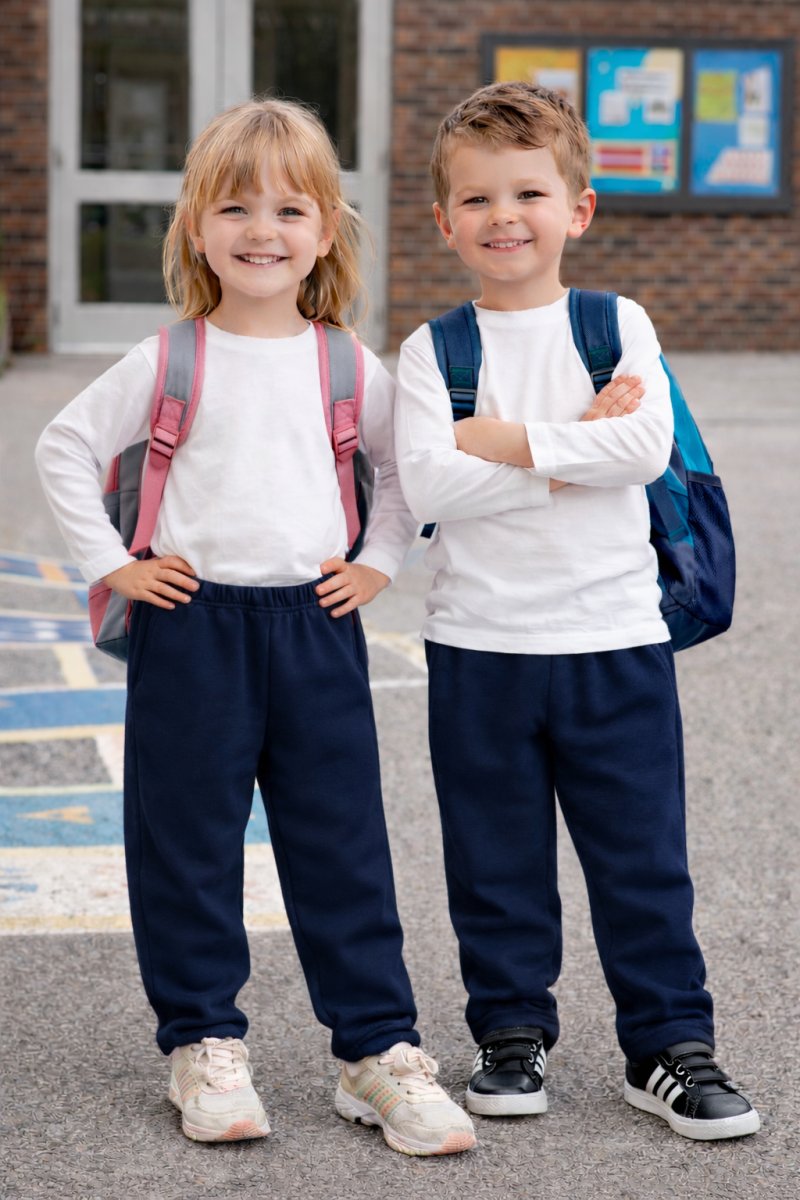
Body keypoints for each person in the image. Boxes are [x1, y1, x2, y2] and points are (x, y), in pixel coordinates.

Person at [35, 97, 475, 1158]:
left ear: (325, 230)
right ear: (196, 229)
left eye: (287, 208)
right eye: (233, 207)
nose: (260, 230)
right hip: (193, 627)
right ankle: (203, 1042)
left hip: (313, 625)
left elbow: (397, 469)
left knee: (340, 842)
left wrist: (378, 562)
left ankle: (375, 1051)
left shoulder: (344, 363)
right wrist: (115, 566)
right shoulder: (167, 357)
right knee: (184, 841)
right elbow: (61, 447)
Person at [394, 81, 760, 1142]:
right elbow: (425, 487)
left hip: (613, 644)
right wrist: (568, 449)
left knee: (640, 857)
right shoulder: (432, 351)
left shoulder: (614, 324)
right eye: (476, 200)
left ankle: (669, 1046)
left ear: (577, 208)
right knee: (493, 860)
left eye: (527, 193)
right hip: (479, 648)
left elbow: (640, 450)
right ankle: (510, 1035)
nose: (502, 217)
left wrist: (498, 441)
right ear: (443, 221)